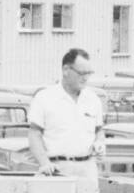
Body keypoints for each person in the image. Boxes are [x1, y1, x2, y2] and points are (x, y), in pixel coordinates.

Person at [27, 48, 106, 178]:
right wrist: (44, 163)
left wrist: (99, 143)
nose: (86, 78)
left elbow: (99, 130)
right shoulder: (44, 98)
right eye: (81, 73)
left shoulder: (93, 99)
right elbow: (34, 134)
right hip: (58, 169)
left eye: (89, 73)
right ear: (66, 70)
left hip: (88, 169)